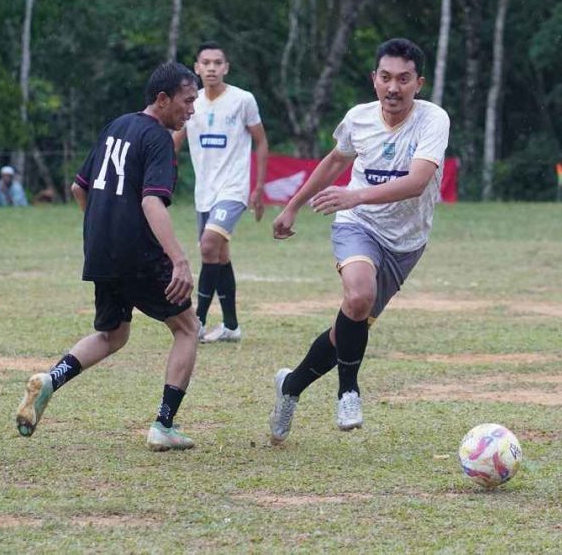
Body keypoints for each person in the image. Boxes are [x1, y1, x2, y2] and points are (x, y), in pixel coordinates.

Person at [269, 38, 450, 444]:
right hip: (358, 225)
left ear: (419, 83)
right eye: (385, 77)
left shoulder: (433, 120)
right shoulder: (358, 118)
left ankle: (290, 386)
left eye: (403, 79)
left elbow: (417, 182)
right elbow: (335, 160)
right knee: (358, 295)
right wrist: (293, 206)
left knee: (348, 326)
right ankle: (348, 392)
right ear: (374, 79)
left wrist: (356, 194)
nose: (393, 88)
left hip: (406, 243)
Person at [15, 62, 201, 451]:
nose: (192, 110)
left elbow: (78, 188)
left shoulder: (117, 126)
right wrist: (180, 260)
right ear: (162, 99)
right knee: (187, 328)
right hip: (138, 253)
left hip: (101, 251)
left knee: (112, 334)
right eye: (186, 101)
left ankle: (50, 380)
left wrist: (105, 231)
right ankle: (164, 425)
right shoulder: (158, 139)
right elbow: (151, 201)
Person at [172, 41, 269, 343]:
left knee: (208, 246)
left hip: (233, 189)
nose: (211, 68)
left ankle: (197, 322)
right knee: (219, 254)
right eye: (206, 63)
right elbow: (173, 143)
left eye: (217, 62)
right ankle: (231, 326)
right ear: (197, 68)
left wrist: (259, 188)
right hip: (205, 193)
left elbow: (261, 142)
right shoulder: (191, 103)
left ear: (226, 67)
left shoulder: (243, 100)